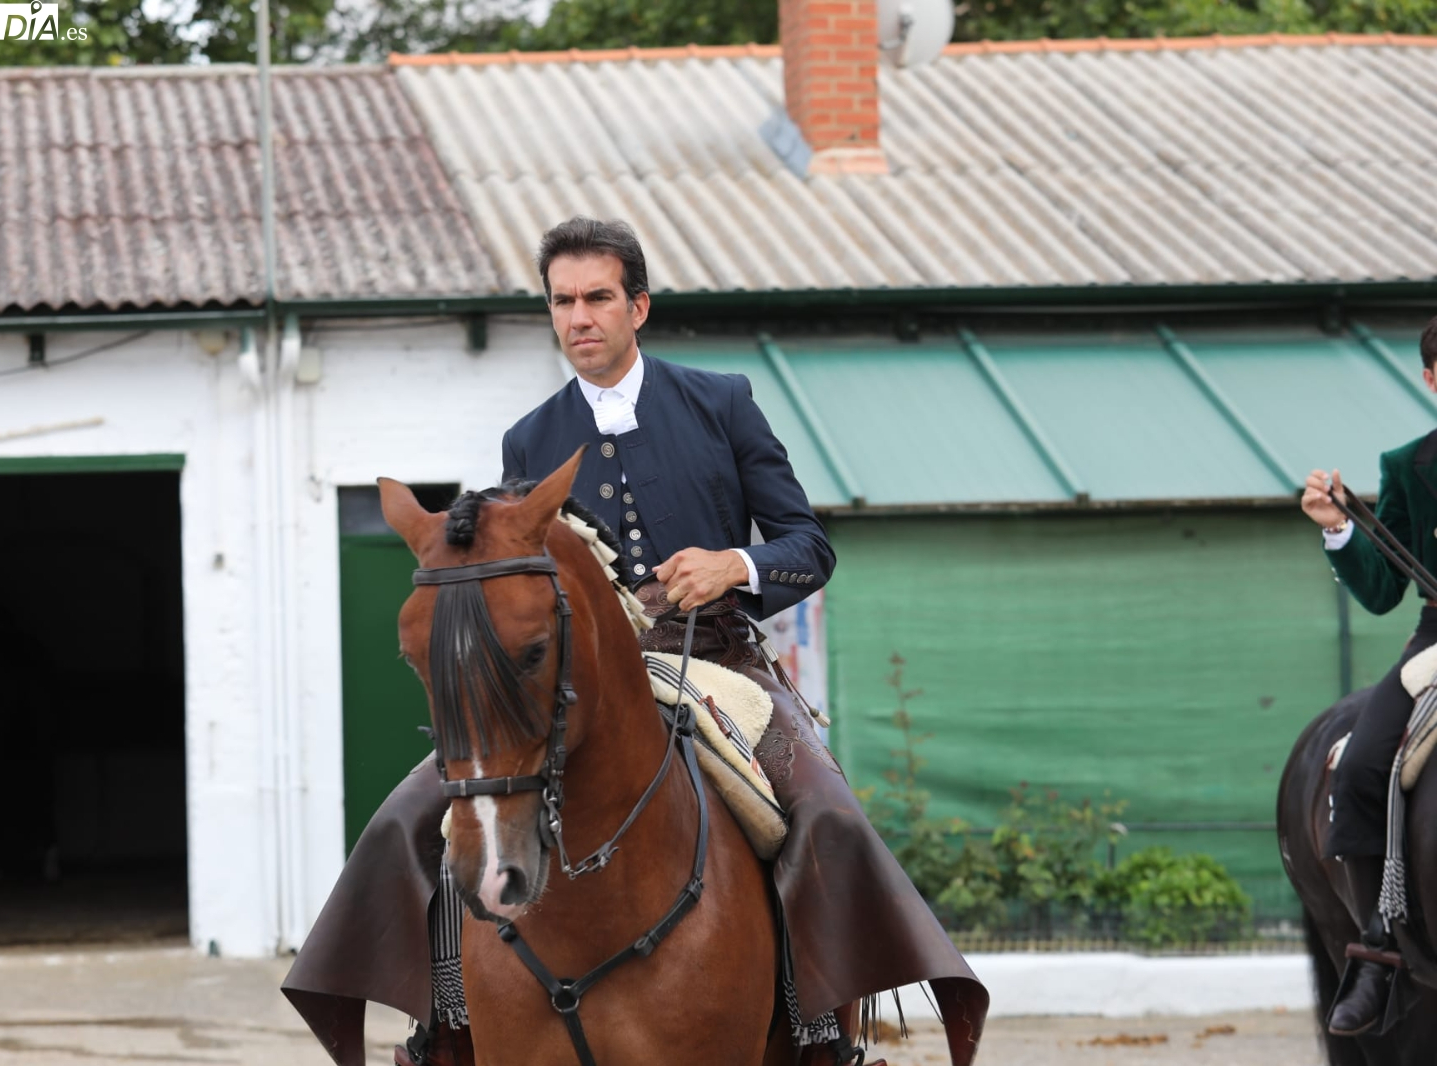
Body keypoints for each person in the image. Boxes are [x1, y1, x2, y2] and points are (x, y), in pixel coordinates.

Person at [283, 219, 987, 1066]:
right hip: (576, 673)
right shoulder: (528, 438)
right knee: (411, 817)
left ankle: (817, 1032)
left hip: (719, 663)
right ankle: (446, 1027)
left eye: (597, 298)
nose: (579, 317)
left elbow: (810, 546)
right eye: (562, 302)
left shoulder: (722, 402)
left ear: (638, 307)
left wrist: (734, 564)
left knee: (826, 811)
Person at [1301, 314, 1437, 1037]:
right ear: (1431, 379)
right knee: (1357, 768)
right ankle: (1377, 951)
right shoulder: (1408, 466)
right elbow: (1385, 590)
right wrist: (1338, 526)